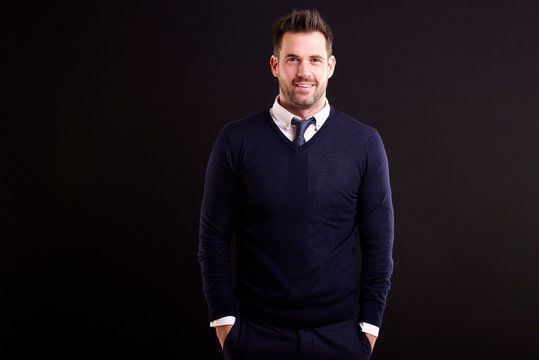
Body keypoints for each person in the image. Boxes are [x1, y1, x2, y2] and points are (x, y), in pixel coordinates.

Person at [198, 9, 394, 359]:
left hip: (340, 339)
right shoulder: (235, 140)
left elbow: (379, 246)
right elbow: (212, 239)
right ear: (275, 65)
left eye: (314, 60)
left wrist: (368, 331)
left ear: (330, 66)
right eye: (293, 59)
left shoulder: (364, 143)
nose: (304, 72)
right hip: (256, 336)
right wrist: (225, 326)